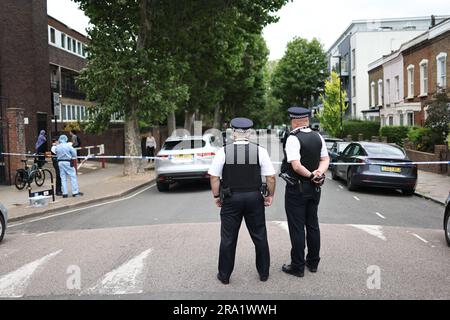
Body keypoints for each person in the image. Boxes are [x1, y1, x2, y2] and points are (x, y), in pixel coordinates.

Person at [209, 118, 276, 285]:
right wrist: (269, 195)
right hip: (254, 198)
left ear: (232, 133)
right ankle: (264, 273)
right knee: (260, 236)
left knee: (228, 238)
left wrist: (217, 196)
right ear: (249, 133)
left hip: (231, 198)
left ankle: (224, 275)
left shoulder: (223, 151)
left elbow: (214, 177)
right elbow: (271, 177)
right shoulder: (260, 151)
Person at [280, 107, 330, 278]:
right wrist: (318, 174)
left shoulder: (293, 138)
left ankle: (298, 266)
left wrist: (310, 175)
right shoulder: (318, 136)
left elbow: (296, 165)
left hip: (297, 189)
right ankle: (313, 263)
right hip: (315, 189)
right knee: (313, 225)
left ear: (293, 121)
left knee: (297, 228)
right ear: (307, 120)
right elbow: (325, 159)